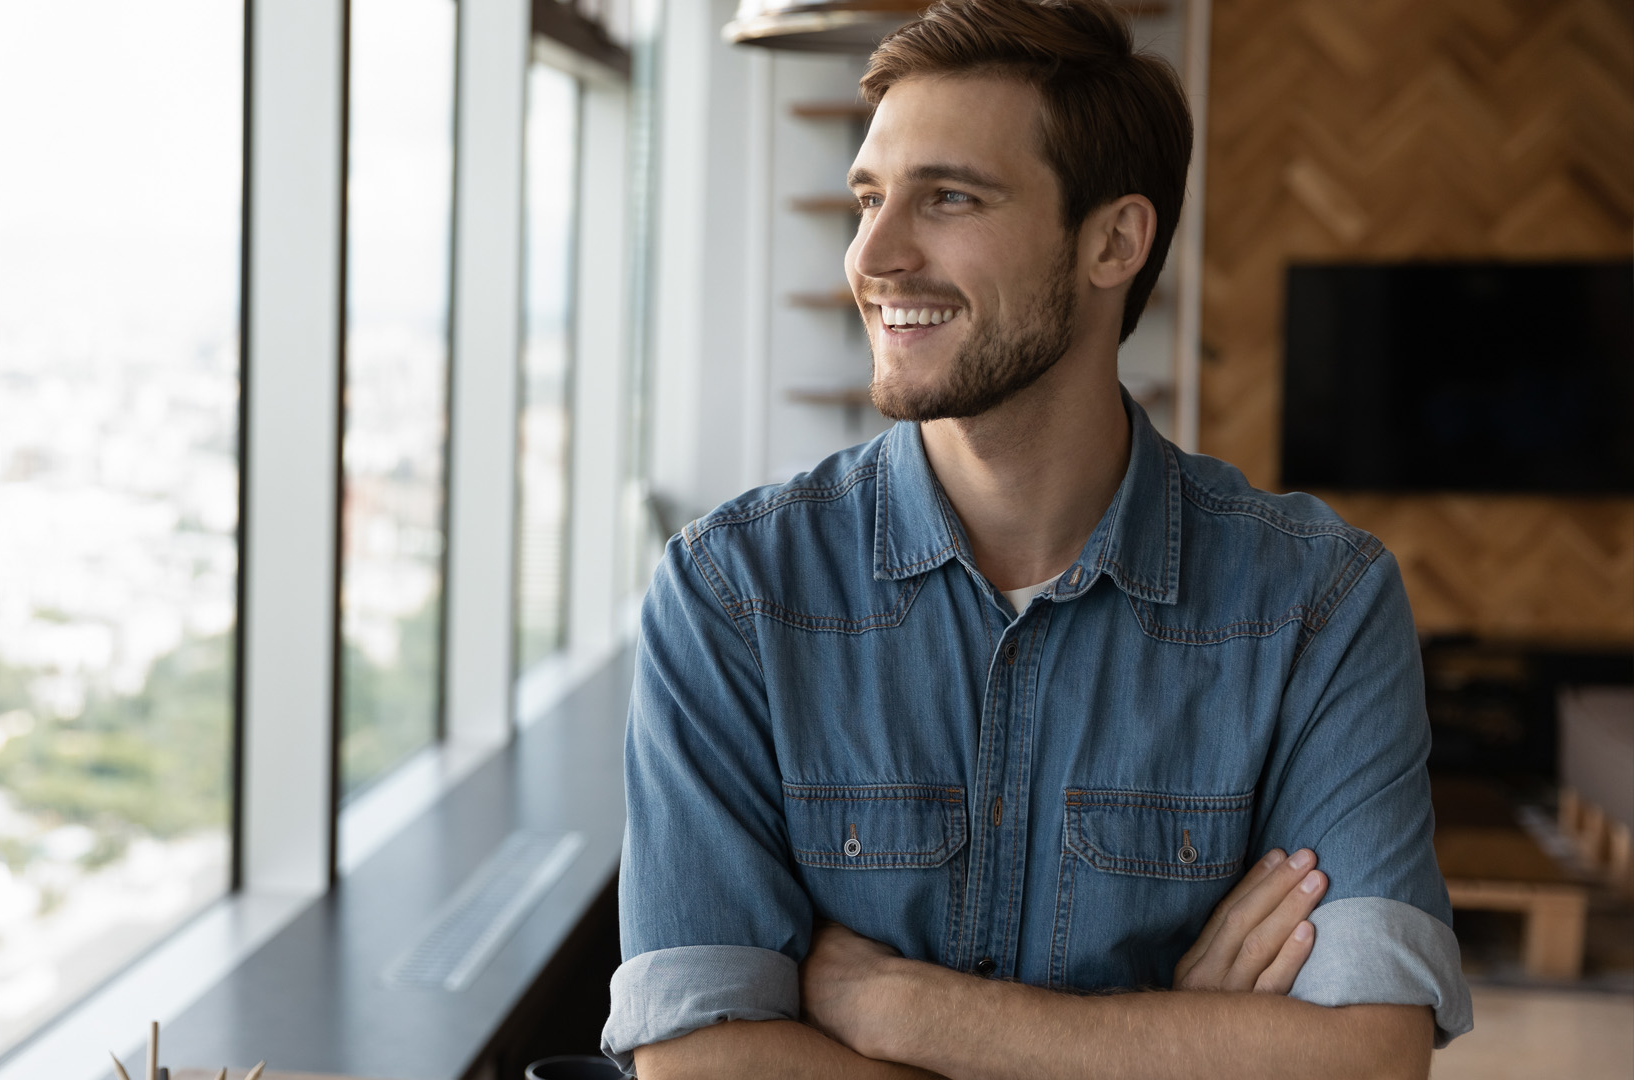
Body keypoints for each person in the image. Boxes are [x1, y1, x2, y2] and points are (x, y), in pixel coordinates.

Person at [600, 1, 1473, 1077]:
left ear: (1113, 240)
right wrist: (1168, 1040)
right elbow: (700, 1064)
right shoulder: (731, 594)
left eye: (949, 197)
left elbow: (1369, 1058)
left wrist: (909, 1013)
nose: (873, 254)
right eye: (867, 198)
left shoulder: (1318, 602)